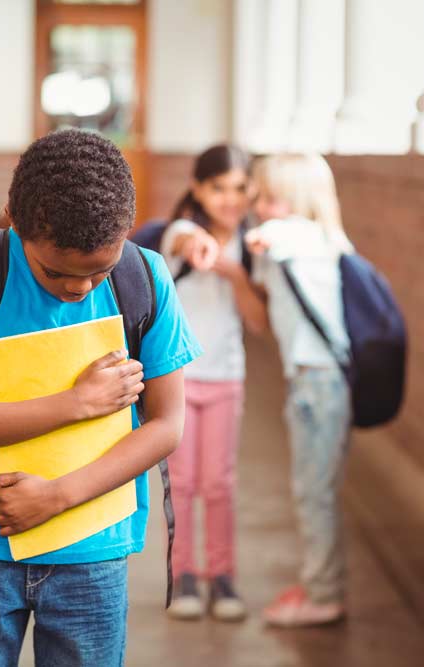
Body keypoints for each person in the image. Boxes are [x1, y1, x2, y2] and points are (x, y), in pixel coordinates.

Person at [0, 129, 201, 666]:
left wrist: (58, 496)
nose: (80, 288)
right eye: (57, 271)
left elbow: (166, 425)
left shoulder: (147, 279)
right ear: (16, 226)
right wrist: (77, 404)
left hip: (93, 550)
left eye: (101, 271)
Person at [157, 144, 268, 622]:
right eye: (218, 187)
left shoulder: (253, 244)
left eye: (239, 188)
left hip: (226, 376)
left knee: (218, 483)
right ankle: (182, 575)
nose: (229, 198)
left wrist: (236, 273)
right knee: (180, 482)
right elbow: (182, 241)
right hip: (177, 380)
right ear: (199, 189)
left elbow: (259, 322)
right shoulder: (181, 231)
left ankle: (221, 577)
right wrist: (200, 248)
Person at [246, 153, 353, 627]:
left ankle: (324, 595)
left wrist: (262, 230)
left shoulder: (302, 236)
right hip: (313, 381)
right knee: (313, 489)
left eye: (271, 198)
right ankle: (317, 581)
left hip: (318, 383)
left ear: (297, 202)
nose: (262, 207)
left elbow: (267, 237)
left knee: (315, 494)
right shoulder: (314, 242)